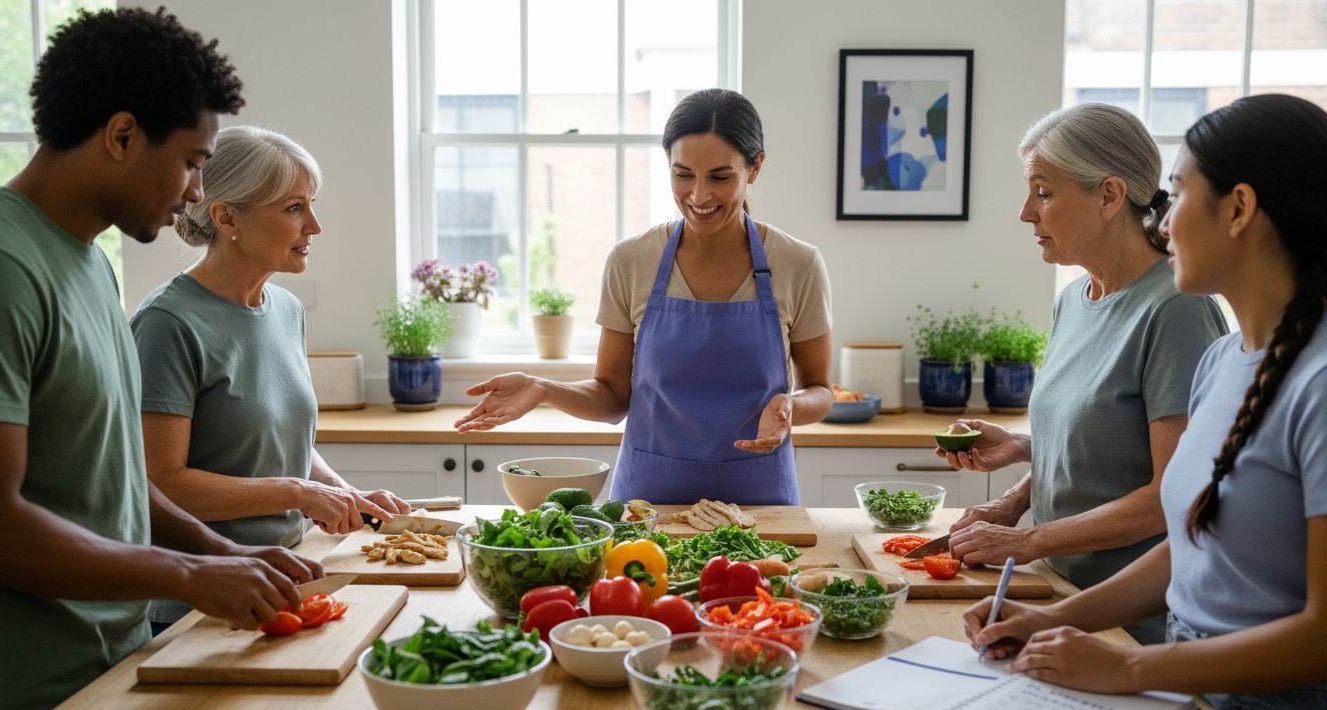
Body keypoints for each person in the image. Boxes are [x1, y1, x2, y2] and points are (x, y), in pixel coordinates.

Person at [962, 93, 1327, 710]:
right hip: (1191, 688)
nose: (1162, 220)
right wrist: (1051, 621)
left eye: (1179, 193)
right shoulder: (1226, 360)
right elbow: (1191, 543)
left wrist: (1130, 669)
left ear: (1240, 210)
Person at [0, 8, 323, 710]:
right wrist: (184, 576)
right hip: (21, 701)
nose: (193, 192)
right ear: (120, 136)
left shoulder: (86, 263)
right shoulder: (5, 266)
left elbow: (112, 477)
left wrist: (225, 553)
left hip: (112, 663)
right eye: (191, 161)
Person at [454, 88, 832, 505]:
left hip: (762, 504)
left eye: (720, 177)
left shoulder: (798, 263)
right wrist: (544, 388)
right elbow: (613, 398)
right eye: (683, 174)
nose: (699, 196)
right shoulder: (631, 260)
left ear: (755, 167)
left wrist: (790, 407)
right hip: (648, 507)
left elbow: (820, 389)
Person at [937, 103, 1227, 644]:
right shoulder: (1075, 299)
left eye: (1044, 193)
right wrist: (1018, 487)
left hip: (1132, 622)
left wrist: (1027, 541)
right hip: (1057, 593)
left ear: (1110, 196)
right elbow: (1105, 447)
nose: (1027, 213)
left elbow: (1172, 493)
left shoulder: (1176, 309)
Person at [132, 126, 408, 634]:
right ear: (226, 217)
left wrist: (348, 497)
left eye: (312, 204)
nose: (316, 226)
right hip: (205, 600)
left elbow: (285, 444)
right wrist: (300, 493)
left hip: (288, 571)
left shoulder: (285, 309)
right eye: (294, 208)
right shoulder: (168, 324)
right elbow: (158, 483)